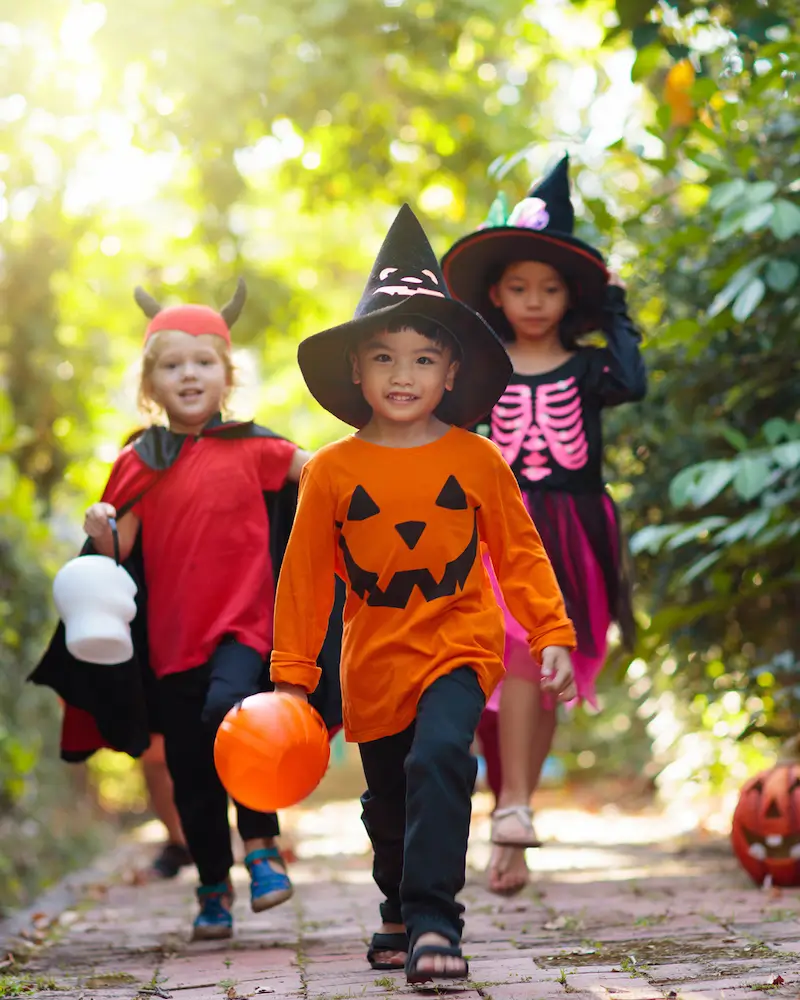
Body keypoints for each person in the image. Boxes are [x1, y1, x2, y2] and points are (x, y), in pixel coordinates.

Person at [269, 205, 578, 985]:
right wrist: (291, 680)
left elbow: (520, 553)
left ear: (451, 373)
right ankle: (398, 909)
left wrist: (551, 634)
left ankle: (437, 919)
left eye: (421, 360)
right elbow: (304, 575)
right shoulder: (332, 472)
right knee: (388, 803)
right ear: (357, 372)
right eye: (384, 357)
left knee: (444, 757)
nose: (403, 376)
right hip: (372, 660)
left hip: (459, 643)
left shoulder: (476, 461)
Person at [43, 280, 313, 940]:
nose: (188, 374)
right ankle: (214, 886)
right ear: (151, 383)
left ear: (227, 374)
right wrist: (102, 521)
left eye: (202, 362)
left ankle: (261, 847)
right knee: (190, 771)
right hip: (170, 642)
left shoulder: (258, 449)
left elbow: (325, 474)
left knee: (238, 718)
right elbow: (116, 550)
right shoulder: (141, 461)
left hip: (246, 628)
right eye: (172, 365)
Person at [441, 153, 647, 895]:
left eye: (551, 288)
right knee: (516, 659)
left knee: (550, 673)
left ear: (571, 297)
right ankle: (516, 806)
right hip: (496, 527)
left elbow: (635, 380)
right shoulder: (480, 367)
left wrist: (617, 305)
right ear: (496, 293)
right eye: (520, 287)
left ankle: (511, 824)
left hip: (574, 525)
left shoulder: (591, 370)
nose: (534, 300)